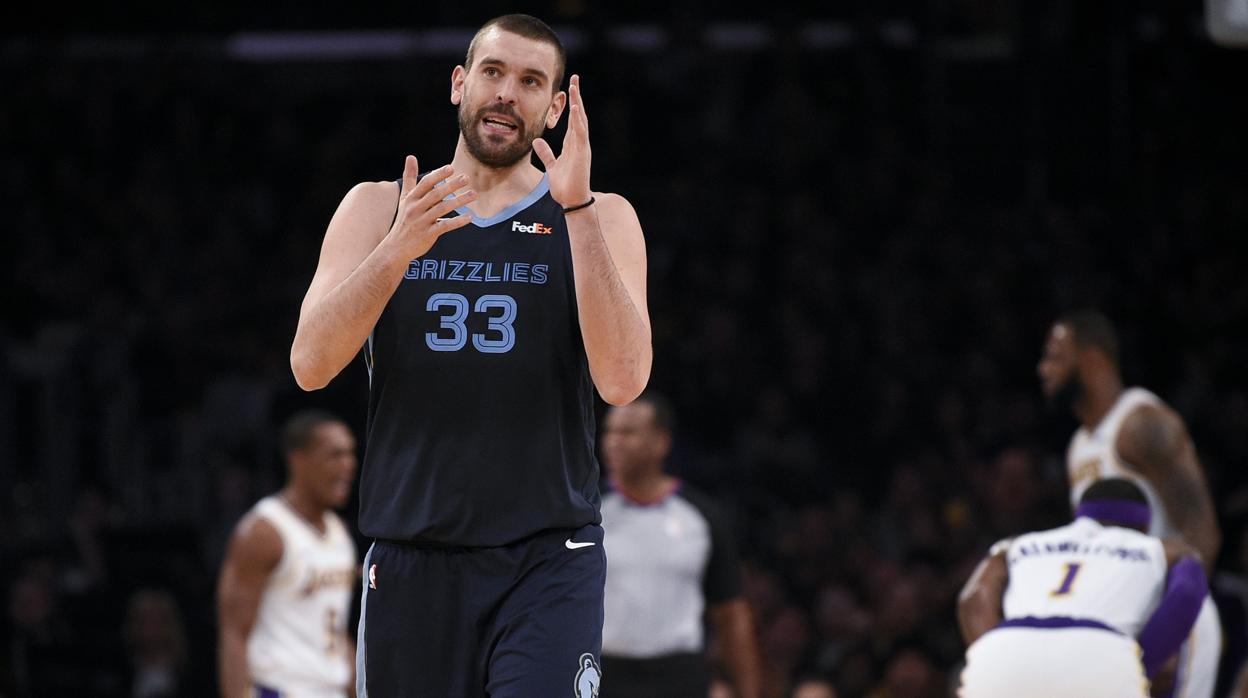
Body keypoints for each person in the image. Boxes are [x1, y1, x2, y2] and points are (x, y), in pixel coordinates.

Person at [288, 13, 651, 697]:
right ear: (459, 84)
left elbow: (624, 382)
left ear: (556, 108)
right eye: (493, 72)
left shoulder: (604, 215)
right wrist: (397, 249)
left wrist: (575, 213)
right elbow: (309, 364)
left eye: (531, 81)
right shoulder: (377, 206)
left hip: (549, 557)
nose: (508, 93)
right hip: (411, 555)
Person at [1037, 310, 1222, 696]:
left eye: (1055, 356)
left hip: (1171, 615)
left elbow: (1203, 534)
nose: (1043, 369)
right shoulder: (1079, 446)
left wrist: (1170, 624)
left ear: (1090, 357)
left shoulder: (1142, 425)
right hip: (1119, 623)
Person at [957, 478, 1209, 697]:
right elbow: (1188, 591)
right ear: (1144, 527)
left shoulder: (1019, 544)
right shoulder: (1160, 549)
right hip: (1099, 652)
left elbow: (973, 599)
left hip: (1005, 650)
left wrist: (996, 655)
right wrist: (1143, 664)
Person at [598, 393, 761, 698]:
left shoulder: (703, 517)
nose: (613, 442)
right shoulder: (588, 514)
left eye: (628, 432)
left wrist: (747, 692)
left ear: (661, 442)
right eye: (610, 431)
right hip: (604, 672)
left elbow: (731, 614)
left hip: (679, 677)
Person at [216, 410, 359, 698]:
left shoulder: (339, 533)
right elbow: (234, 633)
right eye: (335, 454)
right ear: (298, 459)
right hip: (281, 689)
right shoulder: (264, 532)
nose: (349, 464)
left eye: (351, 453)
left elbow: (333, 625)